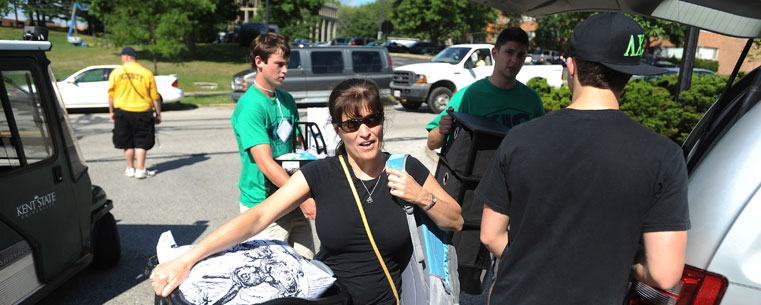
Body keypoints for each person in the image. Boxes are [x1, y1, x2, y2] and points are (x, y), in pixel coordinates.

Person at [150, 78, 464, 304]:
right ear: (338, 129)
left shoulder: (405, 168)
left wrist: (422, 196)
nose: (365, 133)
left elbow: (456, 220)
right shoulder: (321, 173)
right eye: (352, 125)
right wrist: (187, 260)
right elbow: (259, 217)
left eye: (372, 120)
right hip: (332, 297)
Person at [478, 13, 689, 304]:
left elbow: (490, 235)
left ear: (571, 65)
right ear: (629, 74)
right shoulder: (664, 156)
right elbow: (665, 274)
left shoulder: (519, 138)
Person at [231, 33, 317, 259]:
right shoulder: (251, 105)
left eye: (287, 64)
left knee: (307, 265)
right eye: (279, 64)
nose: (285, 70)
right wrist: (302, 198)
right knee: (270, 276)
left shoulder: (286, 100)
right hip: (264, 204)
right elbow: (265, 163)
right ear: (259, 62)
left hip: (291, 196)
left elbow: (297, 146)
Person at [426, 27, 544, 150]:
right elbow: (432, 143)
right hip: (480, 169)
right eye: (509, 52)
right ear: (495, 54)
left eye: (520, 55)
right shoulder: (467, 96)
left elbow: (542, 142)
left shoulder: (532, 100)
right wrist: (441, 130)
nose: (515, 60)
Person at [108, 46, 161, 179]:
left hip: (122, 111)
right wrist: (158, 113)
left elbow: (111, 95)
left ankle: (130, 168)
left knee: (127, 142)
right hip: (142, 112)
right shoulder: (146, 73)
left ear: (126, 57)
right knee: (141, 141)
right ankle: (141, 170)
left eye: (122, 57)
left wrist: (111, 111)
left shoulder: (116, 73)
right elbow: (155, 96)